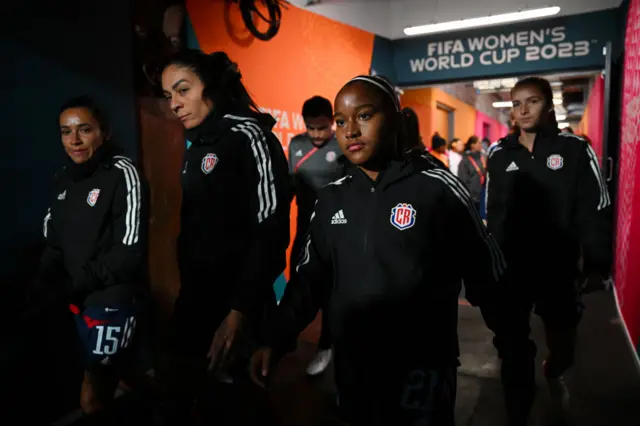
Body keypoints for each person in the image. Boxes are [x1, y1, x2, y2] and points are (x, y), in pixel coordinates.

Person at [249, 75, 506, 426]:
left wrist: (513, 341)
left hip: (423, 366)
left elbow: (486, 271)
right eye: (341, 121)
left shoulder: (438, 188)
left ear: (397, 122)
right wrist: (276, 338)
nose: (350, 130)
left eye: (365, 116)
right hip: (355, 363)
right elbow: (310, 278)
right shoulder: (331, 199)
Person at [159, 49, 291, 424]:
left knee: (238, 407)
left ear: (211, 87)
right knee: (183, 396)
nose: (174, 104)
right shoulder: (197, 146)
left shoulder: (249, 135)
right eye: (169, 95)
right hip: (196, 299)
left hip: (238, 308)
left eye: (182, 90)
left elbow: (271, 228)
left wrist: (239, 311)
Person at [483, 76, 612, 426]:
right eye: (516, 103)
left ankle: (554, 372)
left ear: (549, 105)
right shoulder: (499, 153)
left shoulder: (574, 149)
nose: (523, 110)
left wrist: (597, 261)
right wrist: (488, 264)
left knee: (564, 348)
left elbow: (595, 206)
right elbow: (492, 214)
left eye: (532, 101)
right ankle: (518, 411)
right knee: (512, 349)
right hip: (512, 270)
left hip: (558, 267)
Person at [34, 96, 149, 422]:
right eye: (66, 132)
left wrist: (75, 284)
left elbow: (128, 252)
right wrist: (43, 284)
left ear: (105, 132)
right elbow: (52, 241)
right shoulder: (62, 178)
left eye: (85, 130)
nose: (74, 140)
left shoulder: (123, 173)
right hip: (75, 300)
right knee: (124, 378)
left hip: (111, 299)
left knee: (92, 397)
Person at [288, 96, 344, 376]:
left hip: (336, 231)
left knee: (332, 293)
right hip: (304, 229)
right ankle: (282, 341)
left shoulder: (343, 146)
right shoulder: (296, 145)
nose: (317, 135)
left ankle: (327, 344)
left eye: (323, 128)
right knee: (299, 283)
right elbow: (289, 186)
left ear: (332, 122)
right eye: (311, 128)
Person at [458, 135, 487, 213]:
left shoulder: (482, 158)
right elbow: (463, 181)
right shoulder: (465, 161)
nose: (481, 145)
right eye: (479, 143)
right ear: (472, 145)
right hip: (471, 198)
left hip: (482, 195)